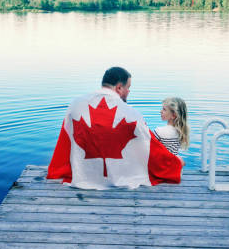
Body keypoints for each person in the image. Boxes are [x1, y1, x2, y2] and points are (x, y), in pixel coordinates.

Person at [46, 66, 183, 189]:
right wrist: (174, 163)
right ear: (119, 88)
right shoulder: (132, 114)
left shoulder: (75, 105)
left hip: (82, 176)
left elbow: (64, 145)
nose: (129, 91)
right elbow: (151, 148)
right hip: (119, 176)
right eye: (128, 87)